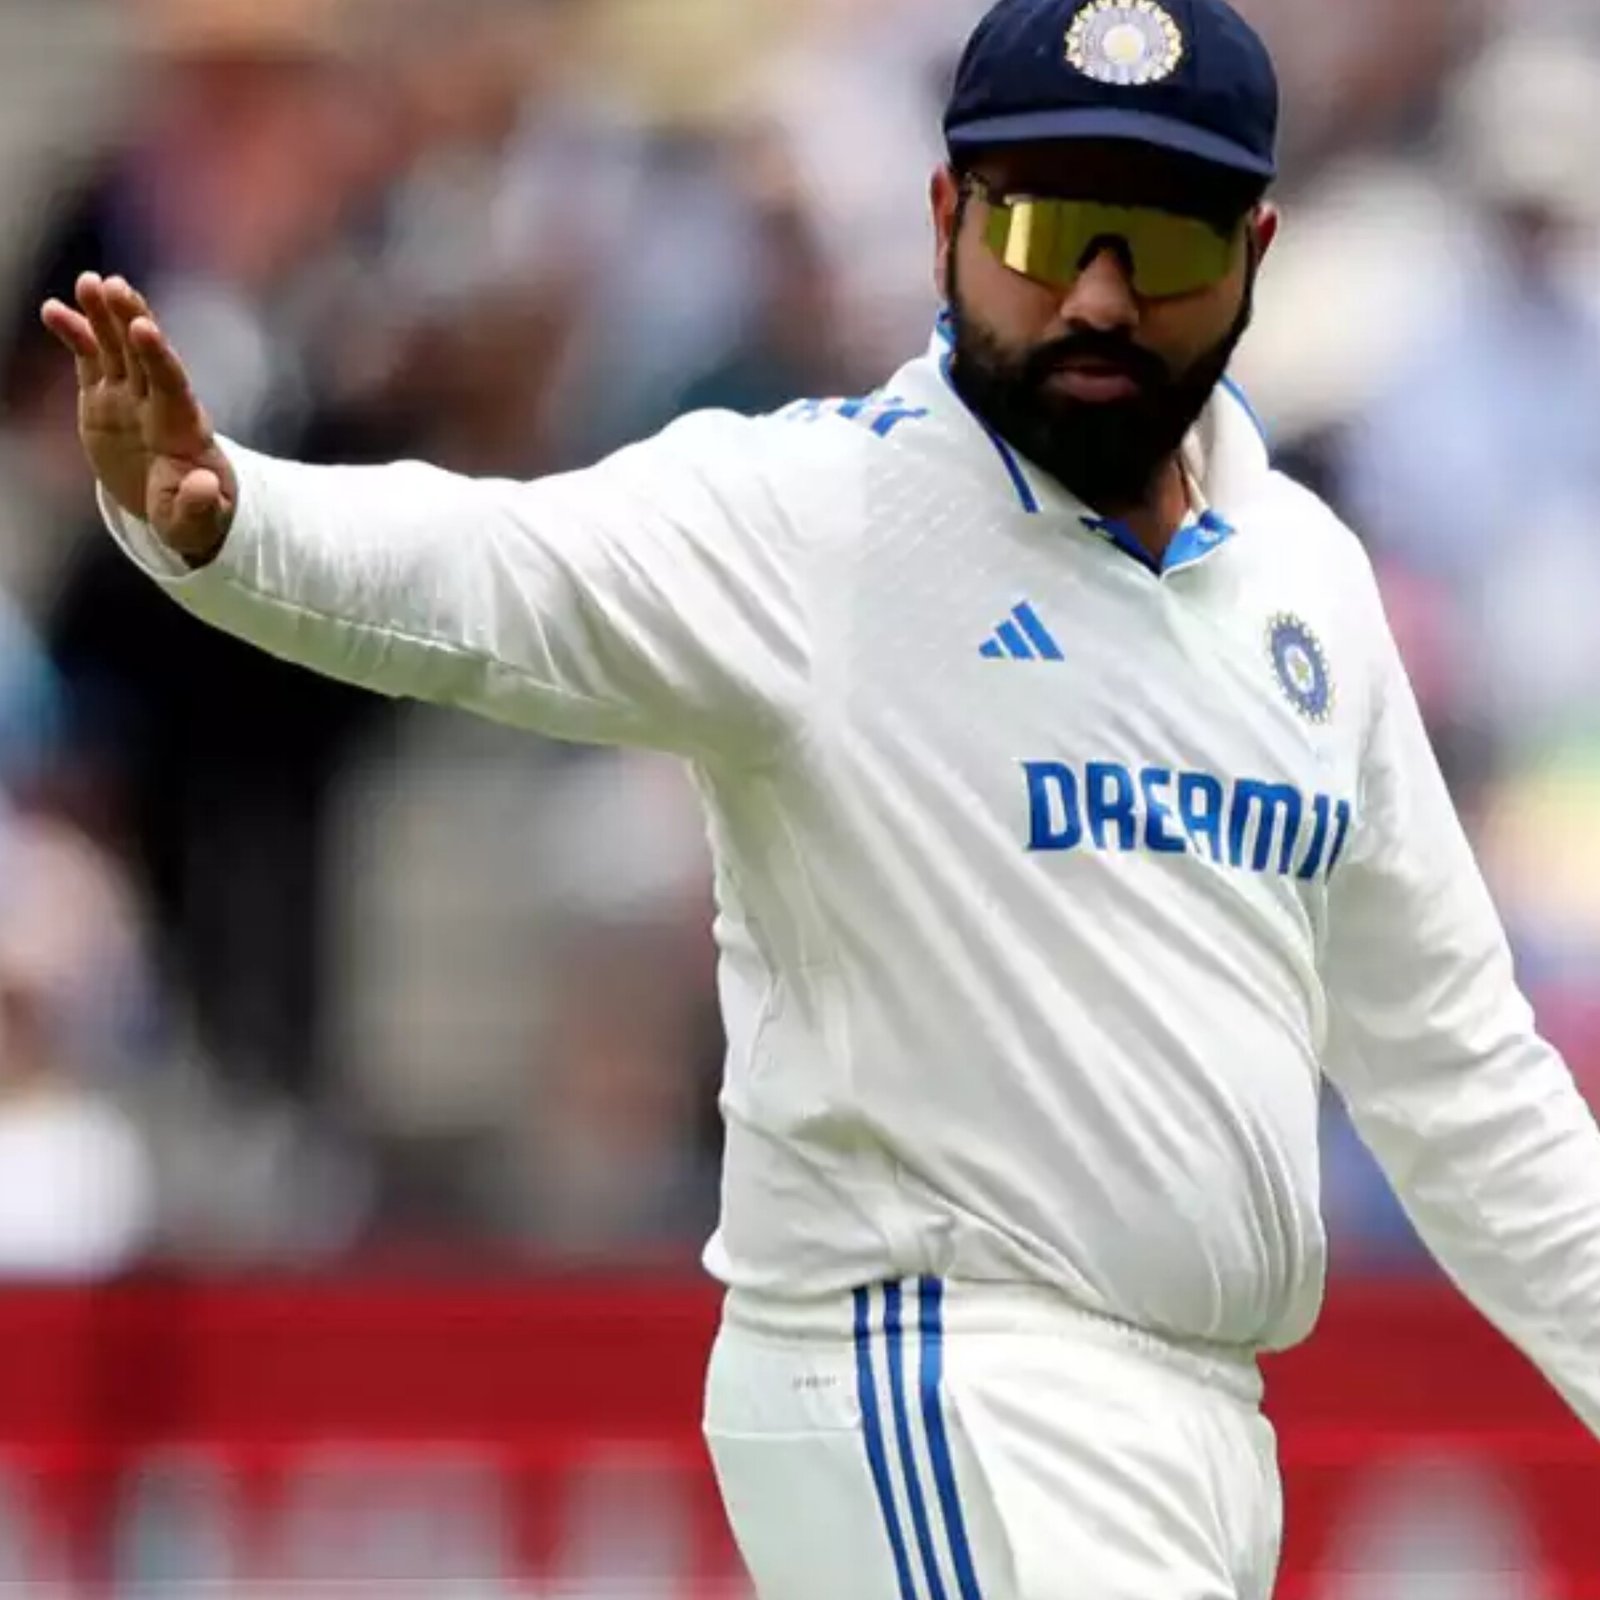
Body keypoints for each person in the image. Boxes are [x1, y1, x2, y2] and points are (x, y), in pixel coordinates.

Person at [41, 0, 1600, 1593]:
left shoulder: (1304, 583)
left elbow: (1462, 1077)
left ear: (1254, 249)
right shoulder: (823, 516)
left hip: (1206, 1419)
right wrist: (231, 518)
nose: (1098, 295)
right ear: (945, 220)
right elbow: (498, 572)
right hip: (936, 1367)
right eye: (1045, 233)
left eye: (1159, 244)